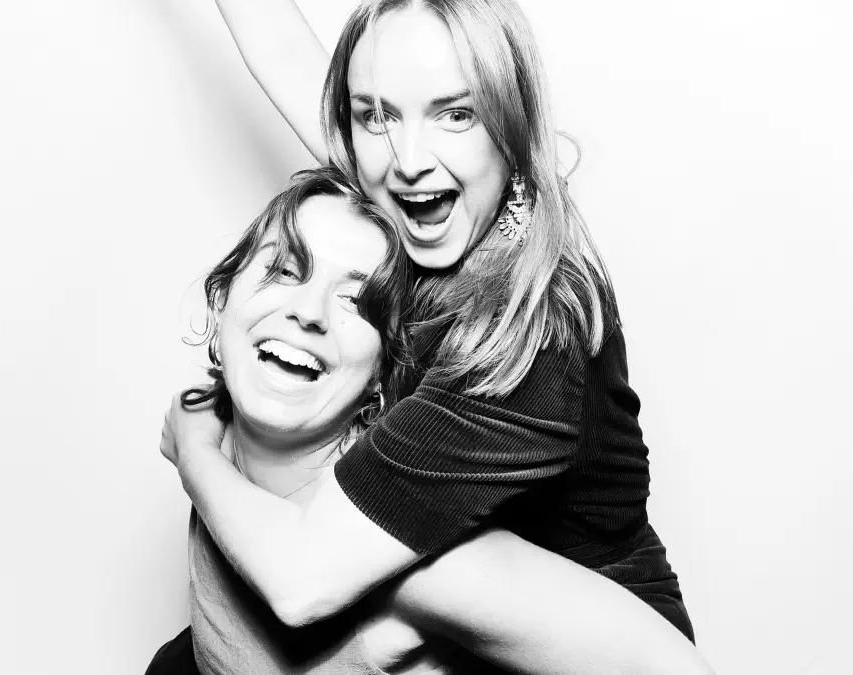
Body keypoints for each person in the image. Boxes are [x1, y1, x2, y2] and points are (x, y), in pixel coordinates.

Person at [163, 0, 703, 664]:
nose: (409, 160)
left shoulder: (528, 343)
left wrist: (195, 448)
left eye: (456, 114)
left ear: (511, 125)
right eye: (376, 114)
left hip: (587, 649)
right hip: (436, 594)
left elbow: (302, 581)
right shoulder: (432, 203)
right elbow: (277, 42)